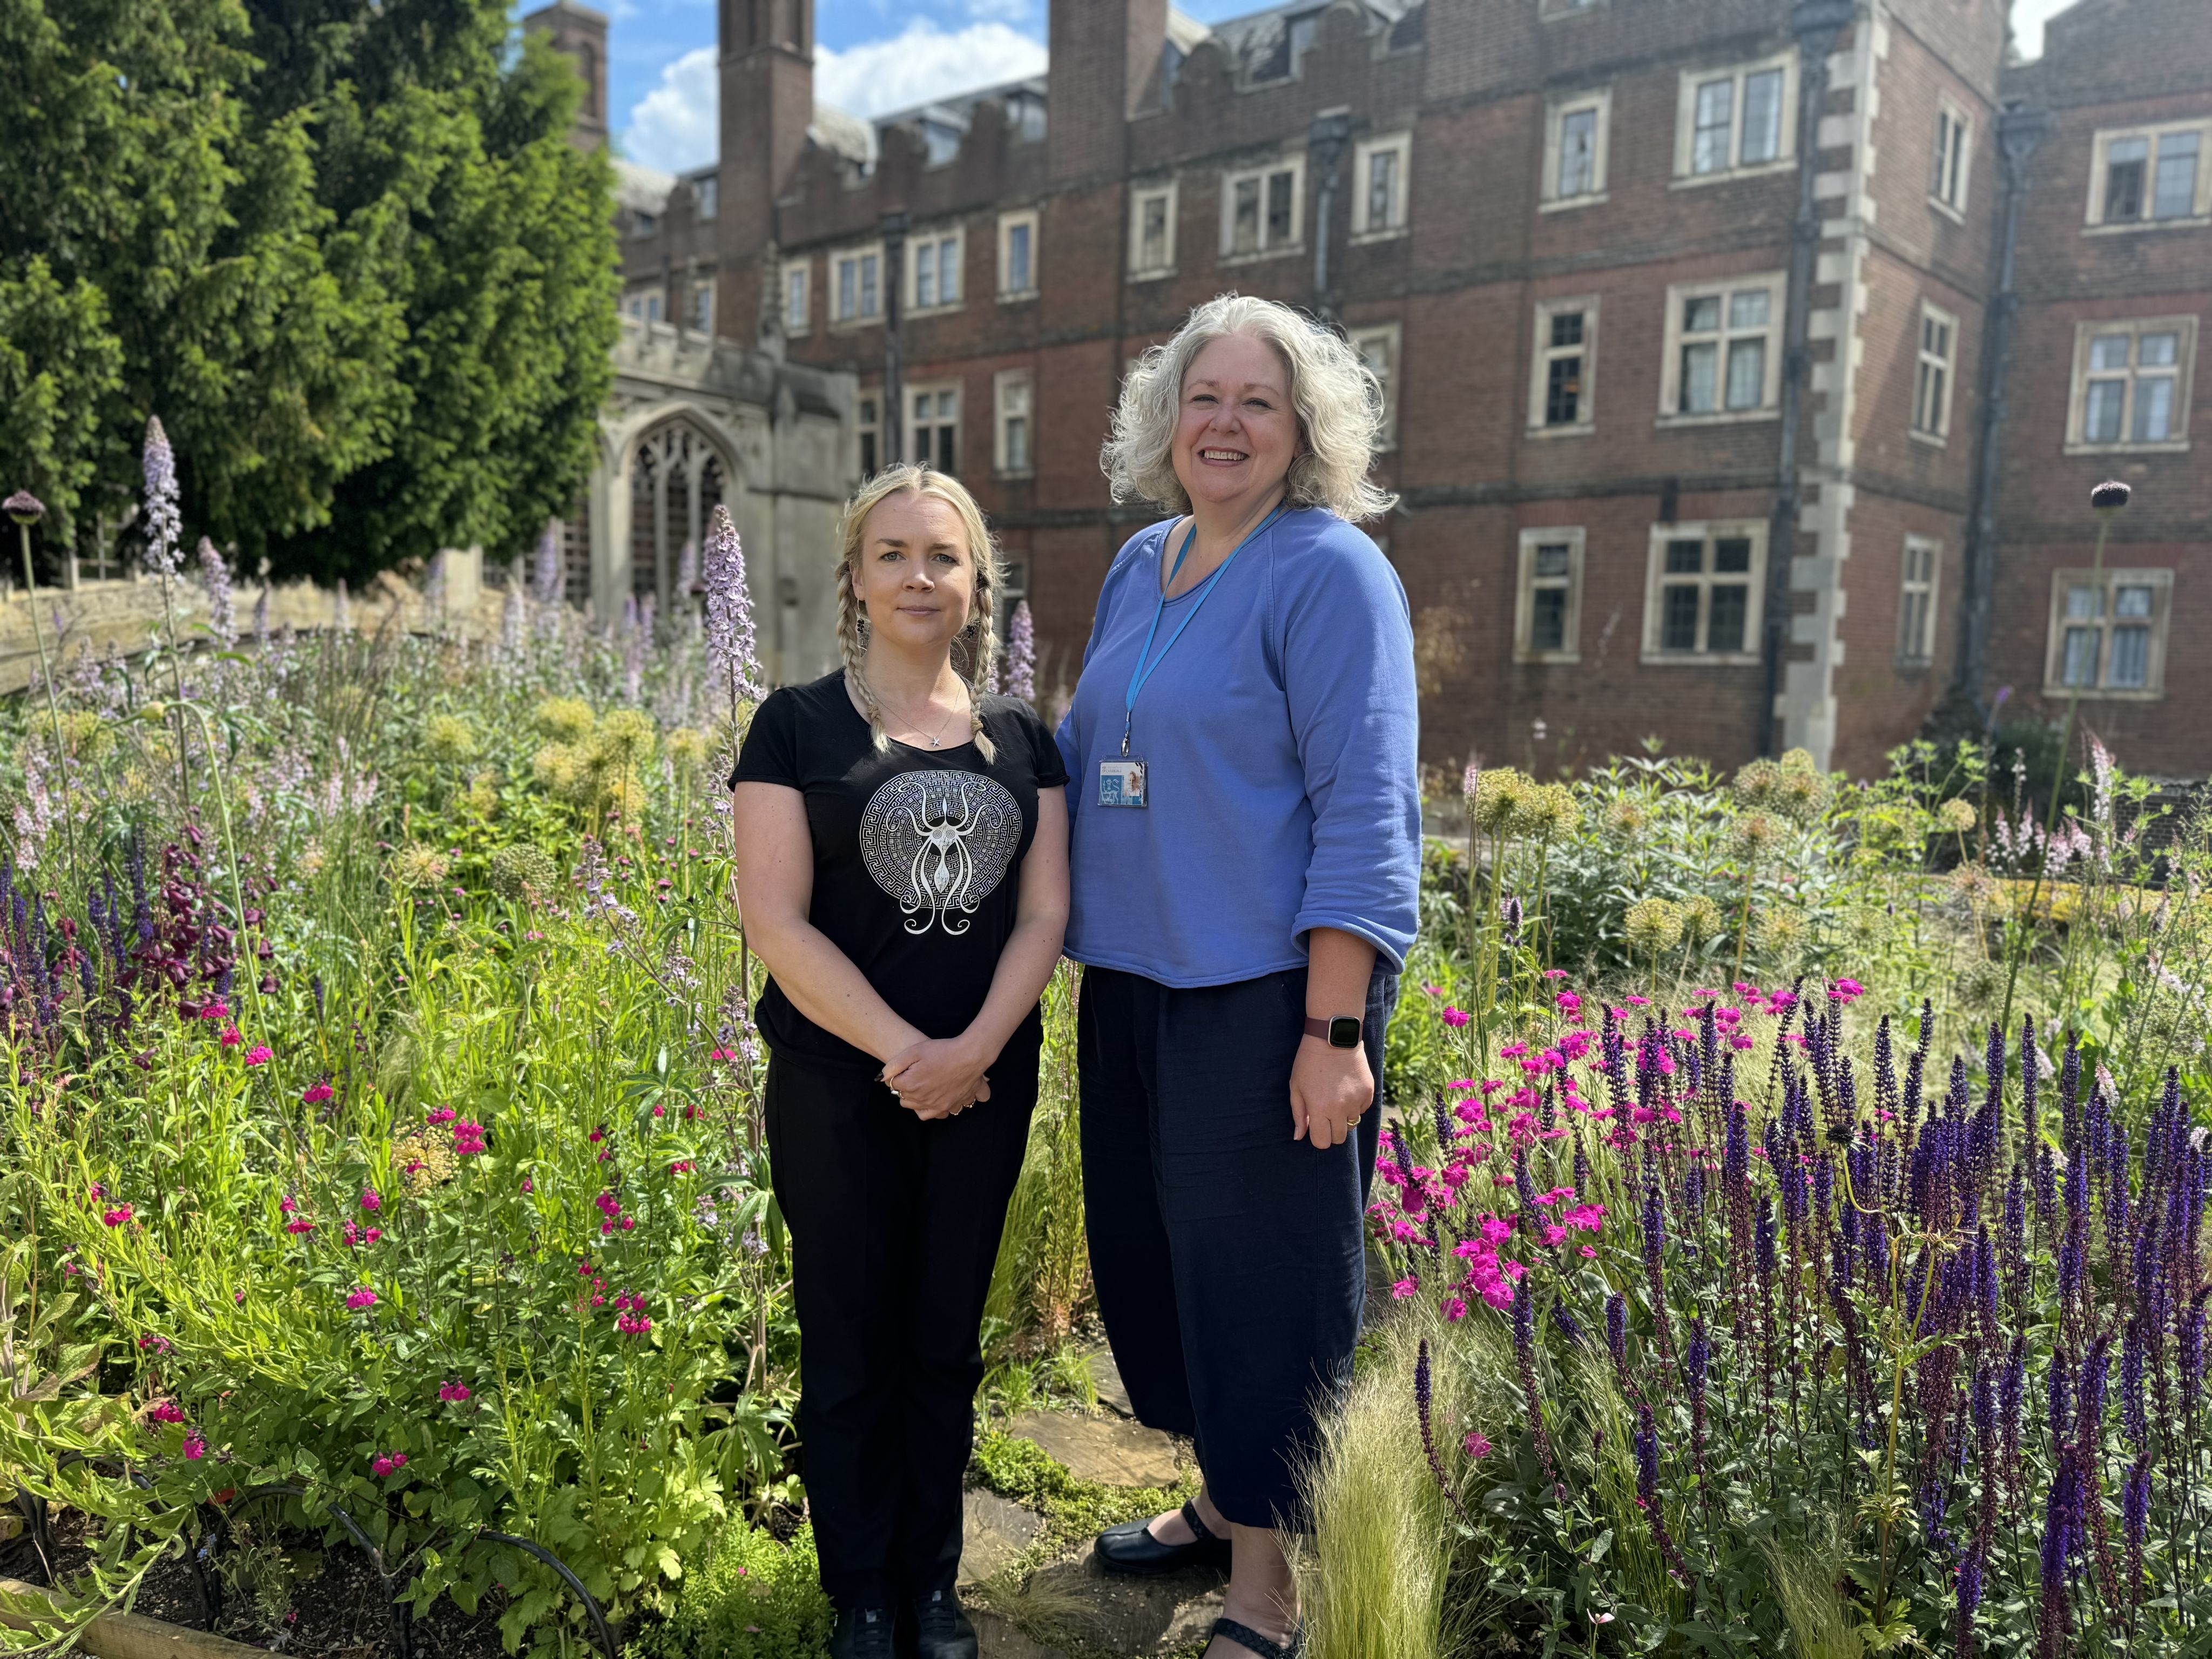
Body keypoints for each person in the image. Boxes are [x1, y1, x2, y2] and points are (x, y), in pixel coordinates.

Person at [1055, 294, 1421, 1659]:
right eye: (1202, 396)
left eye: (1257, 402)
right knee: (1159, 1261)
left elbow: (1364, 806)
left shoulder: (1330, 572)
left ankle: (1266, 1588)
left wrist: (1334, 1026)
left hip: (1269, 992)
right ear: (1165, 419)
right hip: (1138, 981)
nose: (1224, 422)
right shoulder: (1140, 560)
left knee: (1265, 1282)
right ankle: (1222, 1497)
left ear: (1303, 429)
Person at [731, 464, 1070, 1659]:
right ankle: (859, 1593)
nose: (917, 575)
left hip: (983, 1087)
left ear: (976, 585)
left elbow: (1042, 915)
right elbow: (774, 921)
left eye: (942, 555)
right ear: (856, 580)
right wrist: (906, 1053)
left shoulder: (1025, 739)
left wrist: (972, 1051)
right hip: (836, 1090)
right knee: (847, 1336)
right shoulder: (792, 724)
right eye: (892, 554)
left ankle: (933, 1585)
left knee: (942, 1338)